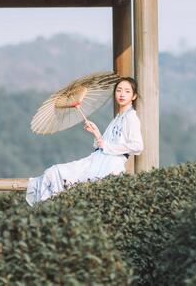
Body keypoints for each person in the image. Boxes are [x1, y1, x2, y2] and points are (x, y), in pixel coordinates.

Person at [26, 77, 144, 206]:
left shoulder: (131, 118)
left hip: (109, 166)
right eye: (119, 90)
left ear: (134, 96)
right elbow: (103, 145)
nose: (122, 94)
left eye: (127, 91)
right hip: (97, 161)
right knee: (54, 172)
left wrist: (106, 145)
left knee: (59, 175)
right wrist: (96, 133)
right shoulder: (118, 117)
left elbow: (137, 146)